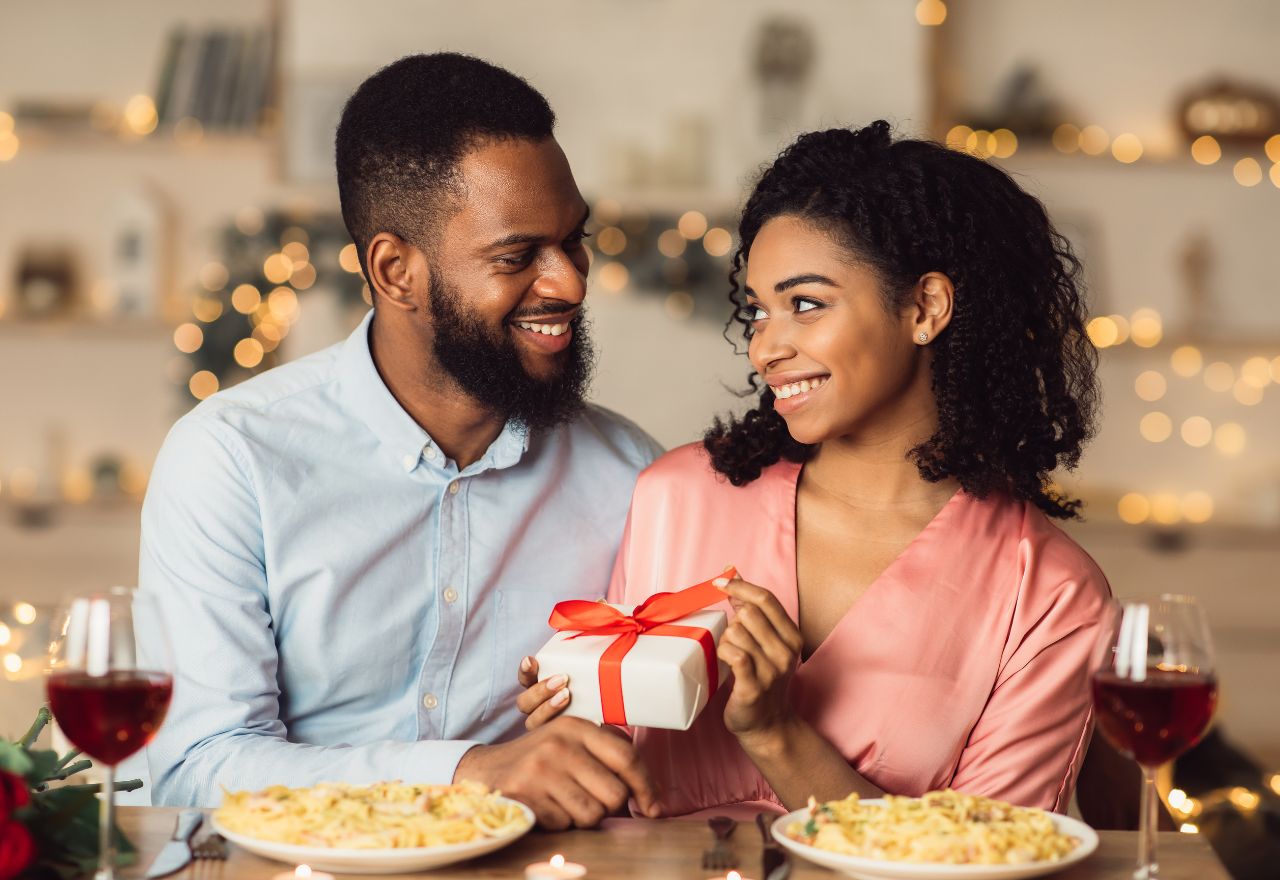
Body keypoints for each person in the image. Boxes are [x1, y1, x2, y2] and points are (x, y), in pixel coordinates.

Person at [520, 120, 1109, 817]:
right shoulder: (679, 497)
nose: (764, 349)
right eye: (758, 312)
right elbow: (616, 777)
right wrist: (573, 721)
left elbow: (987, 855)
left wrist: (778, 734)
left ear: (925, 308)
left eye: (805, 305)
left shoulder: (1050, 596)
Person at [137, 53, 663, 828]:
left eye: (573, 241)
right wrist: (467, 774)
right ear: (395, 271)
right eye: (517, 257)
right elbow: (196, 767)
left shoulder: (633, 475)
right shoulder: (230, 459)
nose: (570, 283)